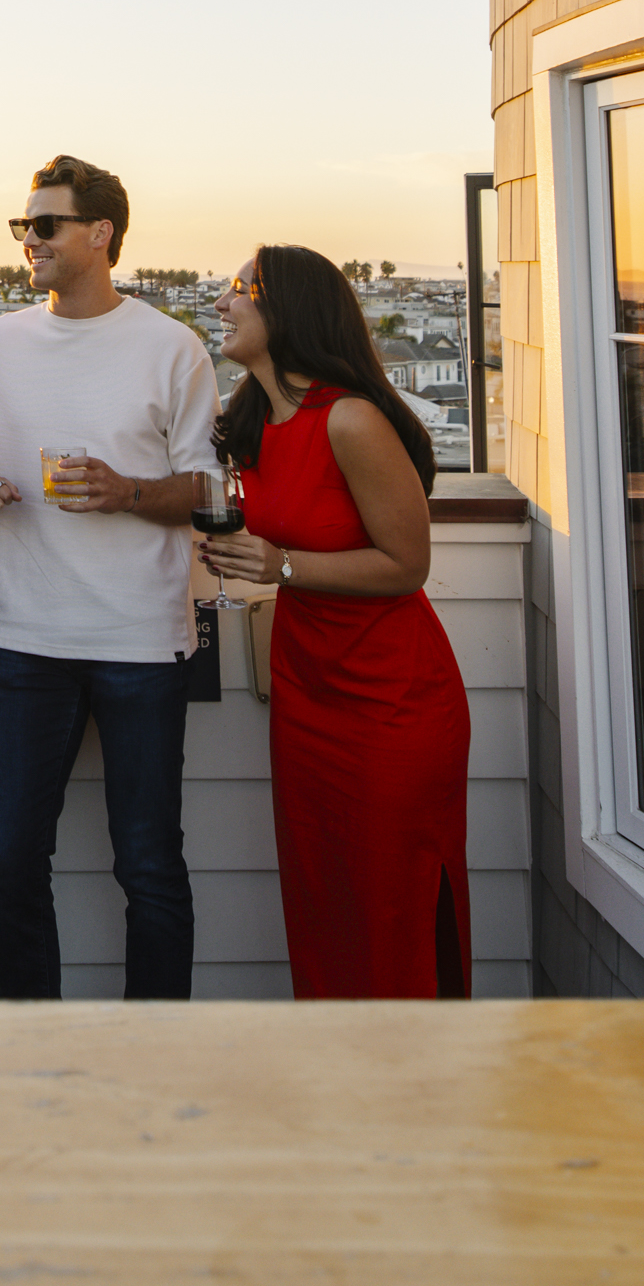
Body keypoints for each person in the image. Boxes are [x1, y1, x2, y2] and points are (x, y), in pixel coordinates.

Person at [0, 153, 219, 1000]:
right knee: (10, 859)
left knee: (148, 866)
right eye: (23, 225)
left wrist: (127, 490)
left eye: (46, 224)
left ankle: (152, 1055)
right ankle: (40, 1049)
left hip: (142, 640)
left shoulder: (173, 347)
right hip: (28, 639)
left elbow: (205, 488)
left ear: (101, 235)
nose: (30, 239)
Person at [199, 244, 471, 999]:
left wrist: (280, 566)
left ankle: (412, 1089)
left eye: (237, 289)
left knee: (392, 903)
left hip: (391, 701)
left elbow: (405, 565)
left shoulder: (350, 419)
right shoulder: (250, 421)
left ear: (287, 309)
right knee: (322, 897)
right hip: (308, 688)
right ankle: (338, 1075)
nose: (221, 304)